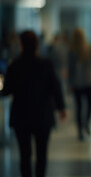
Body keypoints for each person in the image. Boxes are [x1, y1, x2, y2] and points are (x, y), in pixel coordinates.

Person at [2, 30, 67, 177]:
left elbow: (6, 91)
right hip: (42, 115)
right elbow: (55, 87)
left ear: (21, 45)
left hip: (21, 116)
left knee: (24, 155)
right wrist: (61, 108)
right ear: (37, 45)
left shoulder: (15, 66)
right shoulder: (45, 64)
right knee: (42, 153)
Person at [68, 28, 91, 141]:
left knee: (79, 107)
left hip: (78, 81)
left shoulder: (73, 50)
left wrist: (70, 83)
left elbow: (70, 69)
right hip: (88, 80)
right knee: (89, 105)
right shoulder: (88, 48)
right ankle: (85, 123)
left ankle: (81, 128)